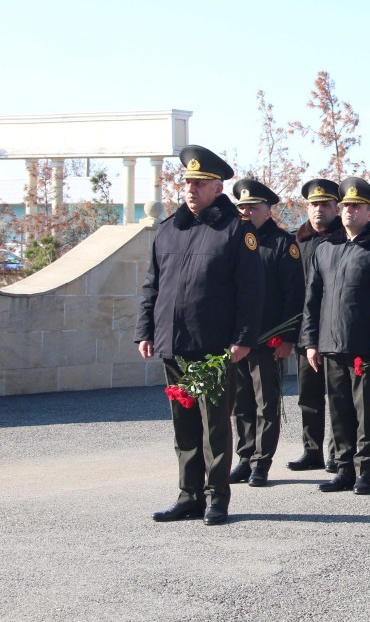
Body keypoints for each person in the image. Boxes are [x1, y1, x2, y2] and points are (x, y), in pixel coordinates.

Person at [137, 145, 264, 526]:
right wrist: (145, 330)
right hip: (173, 344)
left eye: (200, 183)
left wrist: (243, 338)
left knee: (213, 425)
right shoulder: (168, 230)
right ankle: (188, 495)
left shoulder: (235, 231)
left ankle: (216, 497)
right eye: (188, 182)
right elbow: (151, 286)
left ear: (217, 187)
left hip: (213, 346)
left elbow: (251, 292)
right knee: (184, 424)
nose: (191, 189)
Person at [300, 177, 370, 496]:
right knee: (340, 412)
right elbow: (312, 298)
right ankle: (344, 469)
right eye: (345, 205)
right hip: (331, 346)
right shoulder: (325, 249)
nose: (349, 211)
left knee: (366, 412)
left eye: (356, 206)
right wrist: (312, 341)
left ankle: (364, 472)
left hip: (366, 348)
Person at [227, 179, 304, 488]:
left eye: (252, 207)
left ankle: (262, 463)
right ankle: (244, 458)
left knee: (266, 404)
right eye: (241, 207)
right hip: (238, 339)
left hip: (268, 339)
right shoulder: (234, 241)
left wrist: (287, 337)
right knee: (240, 403)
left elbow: (294, 295)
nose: (245, 212)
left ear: (267, 210)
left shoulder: (283, 243)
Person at [288, 179, 342, 474]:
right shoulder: (297, 242)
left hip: (335, 329)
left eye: (325, 204)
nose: (319, 210)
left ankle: (336, 452)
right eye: (314, 204)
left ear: (336, 208)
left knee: (337, 395)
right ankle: (312, 450)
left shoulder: (343, 240)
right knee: (308, 395)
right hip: (304, 331)